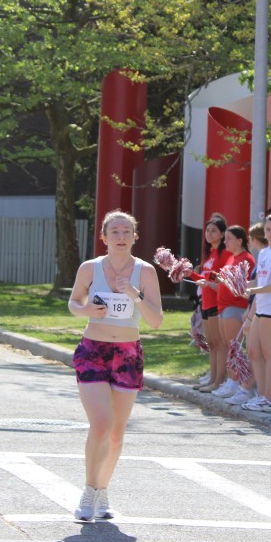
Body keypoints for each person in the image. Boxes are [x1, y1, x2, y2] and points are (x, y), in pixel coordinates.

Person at [68, 210, 163, 522]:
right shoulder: (89, 268)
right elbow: (74, 303)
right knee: (101, 424)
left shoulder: (145, 271)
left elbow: (156, 320)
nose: (121, 237)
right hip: (93, 351)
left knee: (116, 432)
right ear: (104, 237)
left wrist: (135, 295)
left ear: (135, 236)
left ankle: (103, 490)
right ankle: (88, 491)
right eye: (115, 231)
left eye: (126, 231)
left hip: (127, 354)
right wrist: (86, 311)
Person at [241, 212, 271, 411]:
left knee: (269, 354)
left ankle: (267, 399)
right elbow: (260, 280)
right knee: (254, 351)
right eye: (268, 229)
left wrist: (252, 290)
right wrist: (241, 284)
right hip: (261, 307)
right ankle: (261, 395)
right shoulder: (264, 253)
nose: (270, 233)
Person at [210, 225, 256, 397]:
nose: (225, 241)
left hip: (236, 307)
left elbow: (244, 287)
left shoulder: (247, 259)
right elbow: (228, 281)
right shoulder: (231, 258)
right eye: (225, 238)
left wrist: (224, 281)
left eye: (229, 238)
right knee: (228, 346)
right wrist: (214, 281)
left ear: (240, 240)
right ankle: (231, 381)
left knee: (234, 346)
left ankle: (237, 383)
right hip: (223, 306)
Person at [191, 215, 228, 392]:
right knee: (211, 344)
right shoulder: (210, 254)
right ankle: (212, 379)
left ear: (222, 234)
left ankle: (219, 381)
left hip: (217, 303)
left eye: (214, 231)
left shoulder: (224, 253)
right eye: (207, 230)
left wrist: (212, 284)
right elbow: (205, 278)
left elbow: (223, 279)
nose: (209, 234)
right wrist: (189, 273)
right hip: (205, 303)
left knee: (219, 344)